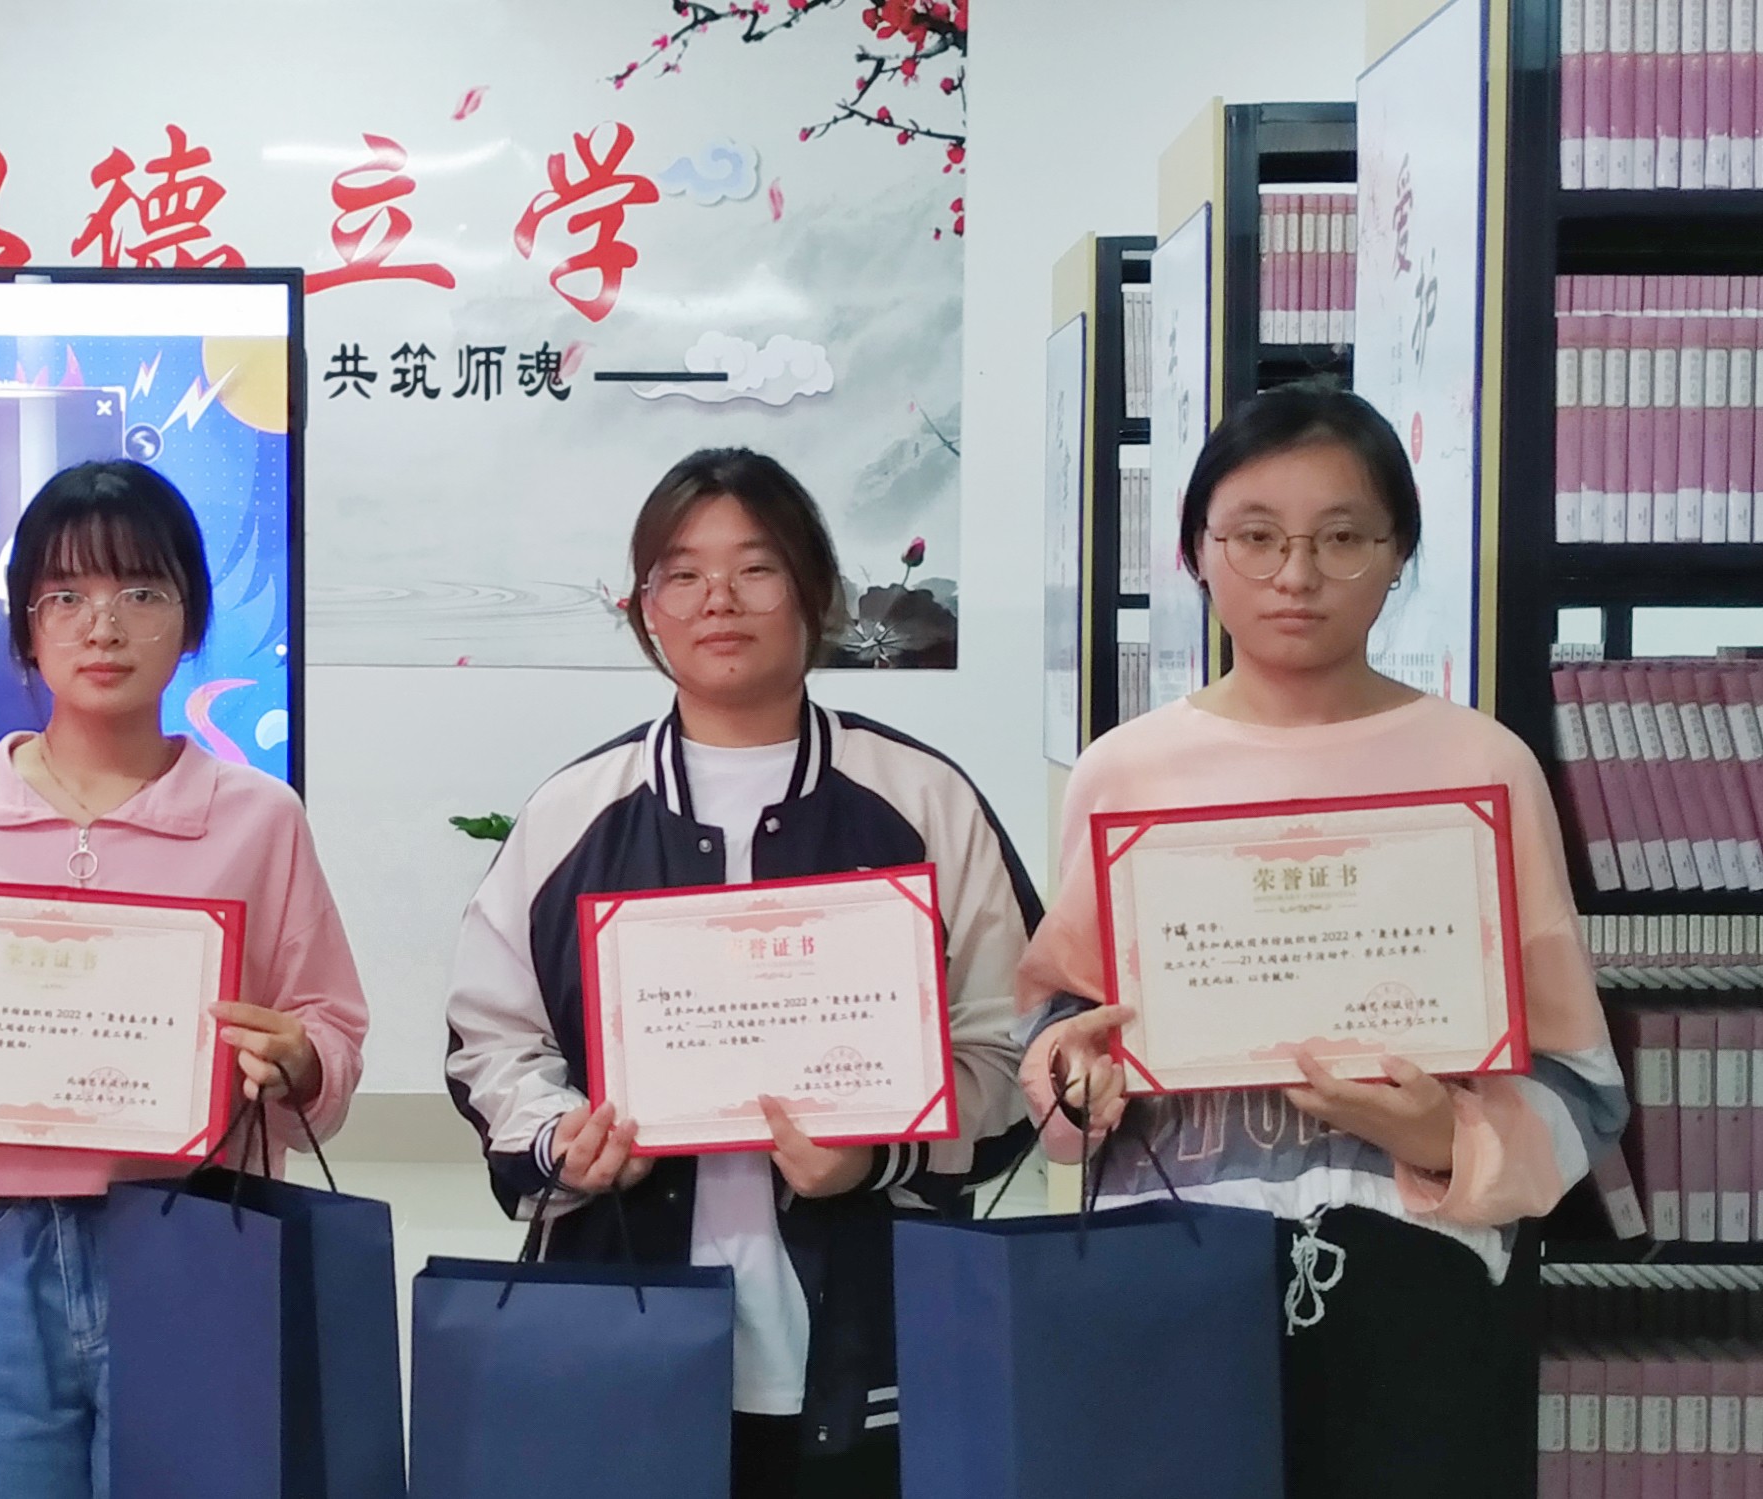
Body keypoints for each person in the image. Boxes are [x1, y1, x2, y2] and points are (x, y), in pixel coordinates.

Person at [1018, 386, 1627, 1499]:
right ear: (1196, 553)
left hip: (1419, 1285)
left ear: (1397, 556)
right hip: (1174, 1268)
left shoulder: (1481, 766)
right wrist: (1076, 1078)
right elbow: (1060, 1019)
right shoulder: (1125, 771)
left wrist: (1442, 1134)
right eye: (1255, 536)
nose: (1295, 573)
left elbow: (1577, 1079)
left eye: (1342, 537)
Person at [442, 447, 1039, 1498]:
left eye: (755, 567)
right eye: (681, 573)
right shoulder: (575, 812)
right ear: (646, 608)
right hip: (627, 1309)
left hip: (871, 1325)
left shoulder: (921, 800)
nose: (717, 598)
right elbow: (492, 1036)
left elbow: (1010, 1041)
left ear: (815, 590)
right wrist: (561, 1138)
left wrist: (881, 1154)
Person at [0, 459, 369, 1499]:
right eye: (65, 596)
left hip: (196, 1234)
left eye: (141, 592)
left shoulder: (259, 817)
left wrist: (300, 1056)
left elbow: (328, 1034)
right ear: (25, 627)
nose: (102, 626)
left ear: (190, 619)